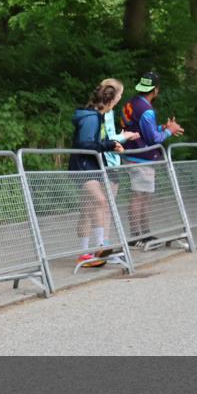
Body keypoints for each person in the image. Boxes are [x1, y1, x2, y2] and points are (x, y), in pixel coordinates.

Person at [120, 71, 184, 249]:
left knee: (143, 196)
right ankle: (136, 236)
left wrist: (162, 127)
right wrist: (169, 131)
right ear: (155, 90)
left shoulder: (131, 102)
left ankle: (145, 233)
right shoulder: (146, 109)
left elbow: (140, 128)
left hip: (131, 154)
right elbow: (153, 139)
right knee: (139, 196)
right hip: (141, 157)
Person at [69, 82, 129, 268]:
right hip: (82, 166)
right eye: (119, 97)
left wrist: (108, 143)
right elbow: (86, 144)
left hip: (91, 165)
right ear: (111, 99)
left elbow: (95, 140)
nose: (120, 100)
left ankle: (90, 251)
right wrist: (109, 145)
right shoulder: (92, 118)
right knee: (100, 201)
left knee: (90, 206)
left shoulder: (98, 116)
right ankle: (98, 247)